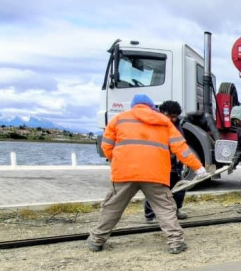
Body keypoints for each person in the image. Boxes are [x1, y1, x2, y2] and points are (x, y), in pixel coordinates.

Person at [88, 94, 207, 254]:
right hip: (155, 174)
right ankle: (176, 243)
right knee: (165, 208)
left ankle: (97, 240)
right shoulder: (164, 122)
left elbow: (107, 146)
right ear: (152, 107)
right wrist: (199, 168)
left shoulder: (119, 119)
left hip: (125, 172)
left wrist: (116, 160)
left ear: (134, 106)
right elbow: (181, 149)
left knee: (112, 207)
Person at [144, 100, 189, 222]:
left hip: (175, 164)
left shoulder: (177, 125)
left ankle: (175, 210)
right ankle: (150, 215)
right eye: (172, 116)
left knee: (179, 187)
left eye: (176, 117)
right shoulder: (154, 123)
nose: (174, 119)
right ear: (163, 113)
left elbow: (180, 143)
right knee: (155, 190)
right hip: (158, 162)